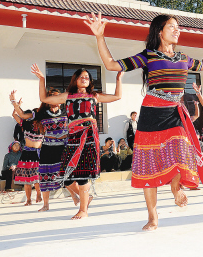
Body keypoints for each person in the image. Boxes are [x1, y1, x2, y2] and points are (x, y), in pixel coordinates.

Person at [84, 11, 203, 231]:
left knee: (180, 150)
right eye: (172, 27)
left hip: (174, 112)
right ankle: (152, 217)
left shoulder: (184, 58)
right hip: (151, 112)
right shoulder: (148, 56)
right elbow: (111, 65)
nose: (177, 30)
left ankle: (176, 188)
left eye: (178, 27)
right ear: (159, 31)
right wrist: (100, 36)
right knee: (149, 165)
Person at [31, 64, 123, 220]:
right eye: (82, 77)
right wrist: (41, 79)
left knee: (83, 175)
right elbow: (44, 98)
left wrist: (118, 79)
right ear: (75, 80)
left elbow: (117, 96)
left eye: (87, 77)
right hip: (73, 138)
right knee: (66, 176)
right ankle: (85, 200)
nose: (85, 79)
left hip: (88, 137)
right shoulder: (68, 96)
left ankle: (83, 210)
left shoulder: (94, 96)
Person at [36, 88, 69, 212]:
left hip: (63, 146)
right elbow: (24, 116)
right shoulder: (42, 113)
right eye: (56, 97)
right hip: (48, 148)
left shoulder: (66, 112)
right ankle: (46, 205)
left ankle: (77, 197)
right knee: (45, 174)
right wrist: (14, 103)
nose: (59, 100)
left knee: (66, 173)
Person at [10, 92, 43, 206]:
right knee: (26, 179)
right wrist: (16, 105)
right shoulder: (26, 123)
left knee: (37, 176)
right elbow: (15, 115)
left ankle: (39, 193)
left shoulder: (43, 125)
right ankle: (28, 200)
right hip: (27, 152)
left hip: (38, 153)